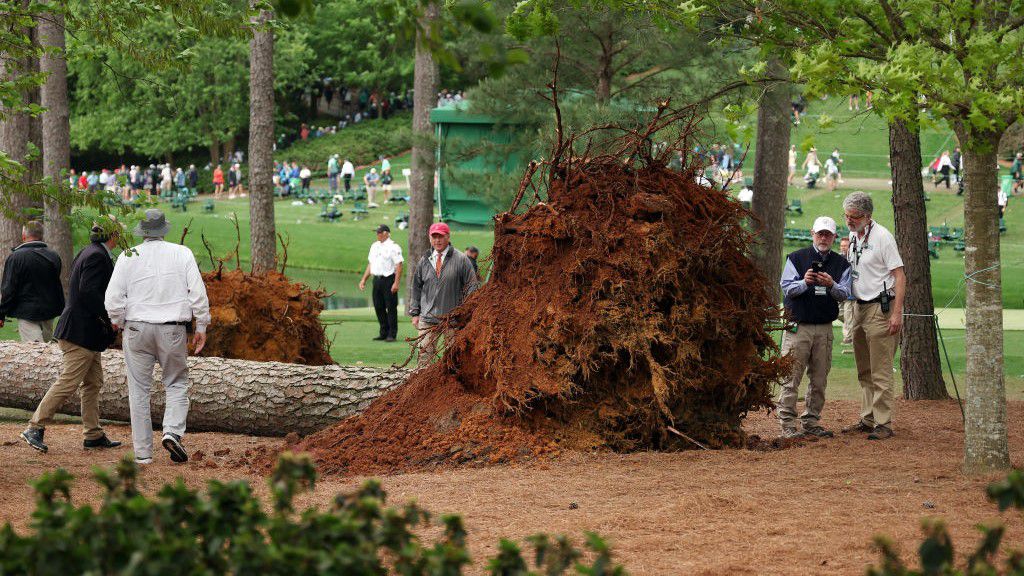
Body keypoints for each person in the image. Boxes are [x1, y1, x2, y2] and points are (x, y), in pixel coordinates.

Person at [104, 209, 210, 464]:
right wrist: (202, 325)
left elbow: (113, 297)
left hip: (137, 328)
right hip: (172, 328)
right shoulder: (181, 253)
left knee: (138, 390)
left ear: (143, 232)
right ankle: (172, 431)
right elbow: (198, 293)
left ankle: (142, 453)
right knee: (176, 382)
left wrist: (117, 321)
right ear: (164, 230)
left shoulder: (128, 256)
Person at [20, 222, 123, 454]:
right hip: (81, 332)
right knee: (68, 382)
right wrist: (110, 318)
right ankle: (34, 426)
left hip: (85, 333)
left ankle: (93, 434)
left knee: (93, 382)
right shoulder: (97, 256)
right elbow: (88, 292)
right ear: (113, 235)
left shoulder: (90, 252)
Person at [776, 216, 852, 438]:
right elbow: (787, 288)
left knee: (819, 379)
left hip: (824, 328)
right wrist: (805, 282)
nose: (823, 238)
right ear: (812, 234)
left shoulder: (841, 264)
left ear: (834, 237)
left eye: (828, 234)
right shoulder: (797, 258)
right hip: (798, 327)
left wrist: (831, 284)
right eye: (820, 234)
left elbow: (846, 293)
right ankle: (787, 424)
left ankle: (811, 421)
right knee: (791, 377)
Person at [840, 192, 905, 440]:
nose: (849, 220)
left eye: (854, 216)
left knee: (880, 370)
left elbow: (899, 275)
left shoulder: (883, 238)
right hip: (858, 306)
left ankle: (883, 423)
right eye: (846, 216)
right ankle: (867, 418)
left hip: (881, 307)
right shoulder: (854, 237)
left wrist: (896, 313)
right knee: (864, 369)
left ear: (868, 216)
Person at [409, 223, 479, 367]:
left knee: (454, 359)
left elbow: (472, 286)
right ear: (430, 238)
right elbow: (416, 287)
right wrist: (415, 312)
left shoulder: (461, 259)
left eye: (440, 236)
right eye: (434, 237)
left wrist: (465, 311)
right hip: (427, 318)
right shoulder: (425, 260)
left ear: (448, 236)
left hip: (453, 320)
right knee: (424, 359)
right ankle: (424, 389)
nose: (437, 240)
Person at [0, 221, 64, 342]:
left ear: (24, 236)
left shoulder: (16, 257)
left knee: (35, 352)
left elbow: (8, 289)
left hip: (26, 313)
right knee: (46, 349)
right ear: (41, 235)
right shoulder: (54, 256)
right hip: (49, 312)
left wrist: (1, 313)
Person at [359, 224, 404, 342]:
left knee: (391, 307)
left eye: (379, 232)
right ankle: (383, 332)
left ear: (386, 233)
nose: (377, 234)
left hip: (389, 280)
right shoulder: (374, 246)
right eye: (377, 232)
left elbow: (399, 265)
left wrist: (396, 283)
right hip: (377, 280)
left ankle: (391, 334)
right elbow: (371, 264)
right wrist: (364, 279)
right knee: (378, 306)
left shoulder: (394, 247)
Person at [838, 237, 855, 354]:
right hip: (838, 292)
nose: (843, 247)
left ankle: (848, 338)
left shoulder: (853, 259)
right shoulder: (837, 258)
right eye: (842, 245)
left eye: (846, 245)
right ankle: (854, 327)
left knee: (848, 315)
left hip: (850, 294)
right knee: (837, 313)